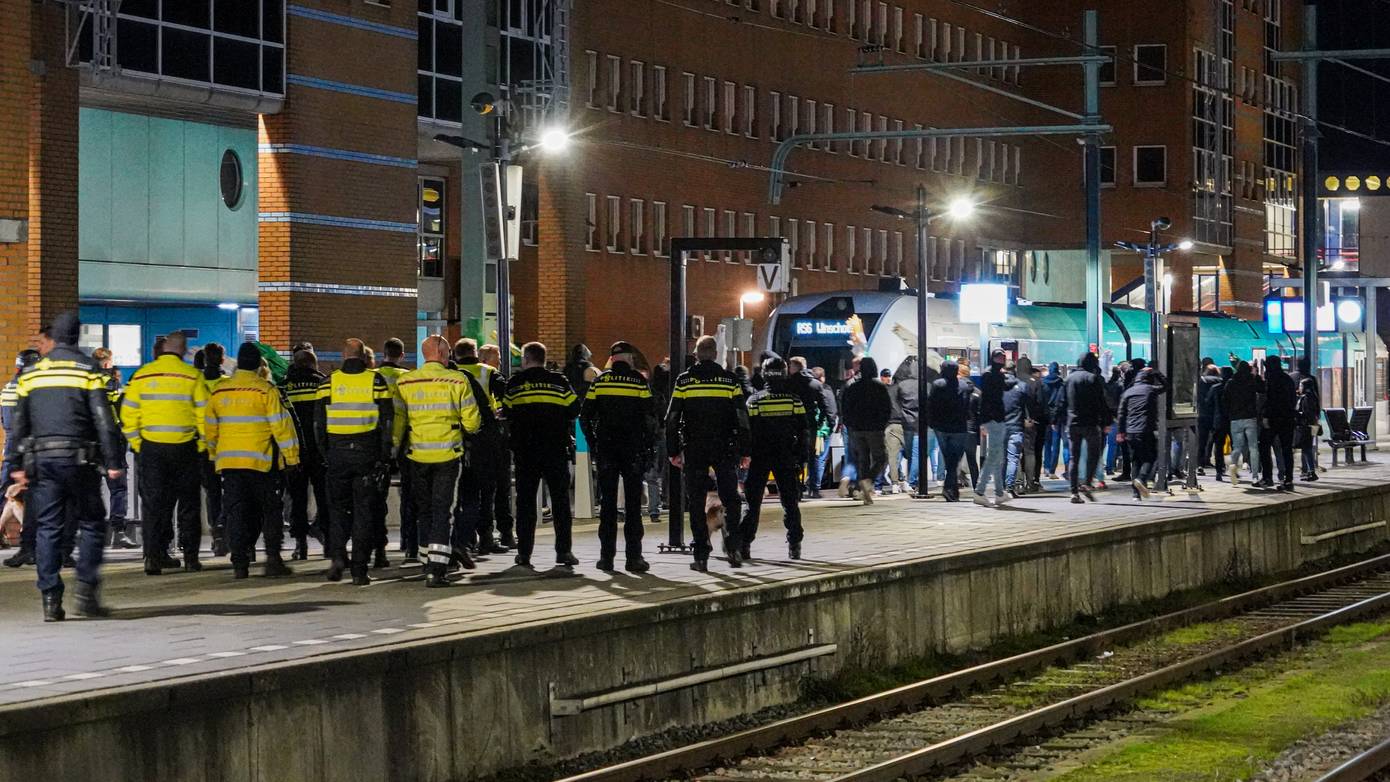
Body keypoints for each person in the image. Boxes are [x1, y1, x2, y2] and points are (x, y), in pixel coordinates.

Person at [9, 313, 126, 621]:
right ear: (78, 337)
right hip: (80, 461)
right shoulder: (88, 371)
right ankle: (86, 593)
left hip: (43, 463)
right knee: (91, 522)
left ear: (55, 338)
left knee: (48, 526)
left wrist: (15, 464)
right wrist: (114, 462)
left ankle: (50, 599)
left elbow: (20, 423)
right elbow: (104, 420)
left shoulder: (32, 374)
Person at [395, 335, 484, 586]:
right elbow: (472, 421)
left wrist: (393, 450)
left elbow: (399, 423)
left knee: (424, 511)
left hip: (417, 455)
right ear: (445, 354)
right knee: (443, 512)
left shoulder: (405, 382)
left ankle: (426, 561)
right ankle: (437, 568)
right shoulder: (457, 380)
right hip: (447, 454)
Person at [204, 343, 299, 579]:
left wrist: (214, 456)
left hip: (230, 465)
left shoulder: (220, 391)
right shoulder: (265, 390)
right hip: (261, 464)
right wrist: (292, 459)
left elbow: (210, 430)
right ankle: (273, 560)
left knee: (236, 513)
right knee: (270, 511)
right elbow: (281, 427)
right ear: (258, 365)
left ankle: (239, 563)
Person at [122, 330, 208, 575]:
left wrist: (138, 443)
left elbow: (128, 414)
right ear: (182, 350)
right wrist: (202, 445)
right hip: (185, 449)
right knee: (189, 505)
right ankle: (191, 558)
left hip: (152, 449)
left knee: (153, 506)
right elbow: (204, 416)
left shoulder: (141, 376)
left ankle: (153, 558)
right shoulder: (192, 377)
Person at [666, 335, 750, 571]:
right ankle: (733, 546)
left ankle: (701, 554)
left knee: (696, 501)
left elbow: (672, 418)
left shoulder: (684, 381)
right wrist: (745, 450)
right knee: (731, 499)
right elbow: (742, 418)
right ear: (715, 355)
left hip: (695, 448)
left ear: (696, 355)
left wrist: (673, 450)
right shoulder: (729, 380)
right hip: (725, 447)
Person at [314, 339, 394, 585]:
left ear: (343, 354)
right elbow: (387, 422)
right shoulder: (376, 381)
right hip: (366, 454)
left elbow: (318, 425)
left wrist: (326, 454)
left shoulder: (328, 382)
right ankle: (359, 570)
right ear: (363, 356)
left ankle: (338, 557)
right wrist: (384, 456)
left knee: (337, 510)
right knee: (364, 513)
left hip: (337, 454)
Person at [501, 342, 581, 570]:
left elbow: (506, 411)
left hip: (526, 451)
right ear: (544, 359)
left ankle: (524, 554)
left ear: (526, 359)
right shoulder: (559, 382)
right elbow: (574, 408)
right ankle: (564, 552)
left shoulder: (515, 383)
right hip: (555, 449)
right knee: (560, 502)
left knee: (525, 502)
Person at [580, 341, 656, 572]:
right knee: (633, 507)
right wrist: (648, 447)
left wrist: (594, 443)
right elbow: (651, 419)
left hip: (607, 451)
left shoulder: (600, 382)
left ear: (613, 359)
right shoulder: (639, 382)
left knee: (608, 506)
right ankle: (634, 558)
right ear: (630, 359)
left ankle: (606, 558)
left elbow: (585, 418)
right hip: (632, 451)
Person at [741, 356, 808, 560]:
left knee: (753, 503)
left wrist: (745, 454)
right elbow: (803, 430)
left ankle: (744, 543)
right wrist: (801, 457)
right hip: (786, 456)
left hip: (760, 456)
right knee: (789, 502)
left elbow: (747, 431)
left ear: (764, 374)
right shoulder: (794, 400)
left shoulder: (754, 401)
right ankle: (794, 543)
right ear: (784, 373)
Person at [453, 338, 509, 556]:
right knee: (486, 490)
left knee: (463, 491)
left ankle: (464, 539)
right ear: (474, 352)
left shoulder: (451, 373)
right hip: (484, 437)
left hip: (455, 437)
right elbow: (505, 401)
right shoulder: (489, 372)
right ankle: (486, 537)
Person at [284, 348, 328, 560]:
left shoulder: (285, 385)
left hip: (295, 452)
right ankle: (328, 542)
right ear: (313, 364)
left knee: (298, 499)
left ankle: (300, 546)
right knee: (324, 497)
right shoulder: (323, 383)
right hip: (320, 452)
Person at [90, 347, 136, 549]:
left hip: (91, 443)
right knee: (118, 489)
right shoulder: (111, 382)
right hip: (111, 442)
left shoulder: (86, 383)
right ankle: (118, 532)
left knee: (91, 490)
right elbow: (119, 413)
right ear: (108, 363)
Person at [1, 349, 41, 567]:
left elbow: (4, 420)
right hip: (26, 449)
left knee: (9, 494)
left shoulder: (7, 388)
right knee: (24, 496)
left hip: (10, 448)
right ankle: (30, 543)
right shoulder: (30, 389)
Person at [374, 338, 412, 562]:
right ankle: (408, 542)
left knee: (377, 498)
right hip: (405, 443)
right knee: (409, 495)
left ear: (384, 353)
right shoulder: (407, 378)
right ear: (402, 355)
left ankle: (379, 547)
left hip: (378, 444)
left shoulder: (373, 376)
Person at [839, 356, 891, 505]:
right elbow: (886, 408)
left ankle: (864, 493)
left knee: (863, 459)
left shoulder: (853, 387)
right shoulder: (879, 387)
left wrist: (850, 425)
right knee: (881, 458)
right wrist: (882, 423)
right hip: (874, 428)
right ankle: (868, 482)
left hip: (856, 429)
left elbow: (846, 408)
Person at [1062, 352, 1112, 503]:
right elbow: (1101, 402)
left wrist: (1059, 419)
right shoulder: (1092, 378)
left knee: (1074, 458)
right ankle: (1087, 483)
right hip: (1090, 423)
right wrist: (1106, 421)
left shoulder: (1069, 379)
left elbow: (1062, 401)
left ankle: (1074, 492)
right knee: (1094, 455)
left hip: (1073, 423)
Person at [195, 343, 230, 556]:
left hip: (201, 448)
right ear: (223, 360)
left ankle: (217, 536)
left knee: (212, 493)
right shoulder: (228, 384)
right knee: (231, 491)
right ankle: (223, 528)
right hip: (227, 446)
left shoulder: (194, 383)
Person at [479, 343, 516, 548]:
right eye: (498, 358)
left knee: (481, 490)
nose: (500, 362)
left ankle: (483, 535)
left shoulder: (463, 374)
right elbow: (506, 402)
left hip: (474, 438)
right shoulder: (492, 375)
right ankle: (505, 533)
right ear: (485, 360)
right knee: (501, 487)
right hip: (494, 436)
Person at [1116, 367, 1168, 499]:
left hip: (1130, 431)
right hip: (1145, 429)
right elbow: (1166, 385)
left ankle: (1135, 494)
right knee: (1151, 457)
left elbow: (1121, 413)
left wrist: (1121, 431)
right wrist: (1156, 372)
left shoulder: (1128, 392)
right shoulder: (1150, 389)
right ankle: (1141, 478)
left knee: (1136, 460)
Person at [926, 359, 973, 502]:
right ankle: (950, 489)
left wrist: (931, 422)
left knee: (948, 457)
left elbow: (931, 404)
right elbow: (967, 405)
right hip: (959, 426)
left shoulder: (937, 385)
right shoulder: (964, 386)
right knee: (955, 459)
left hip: (941, 426)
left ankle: (950, 489)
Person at [974, 349, 1010, 507]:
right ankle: (980, 491)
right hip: (994, 419)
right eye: (998, 356)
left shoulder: (991, 374)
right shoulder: (992, 375)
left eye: (1002, 356)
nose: (1001, 359)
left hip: (995, 419)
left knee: (996, 456)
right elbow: (988, 399)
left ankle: (999, 493)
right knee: (993, 456)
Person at [1222, 360, 1263, 486]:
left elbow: (1225, 400)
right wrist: (1256, 376)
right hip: (1250, 418)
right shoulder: (1252, 380)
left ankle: (1233, 465)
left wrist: (1229, 413)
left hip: (1235, 419)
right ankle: (1255, 477)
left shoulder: (1231, 382)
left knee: (1237, 447)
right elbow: (1262, 389)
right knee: (1253, 448)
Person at [885, 357, 920, 495]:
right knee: (914, 455)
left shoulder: (889, 389)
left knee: (893, 457)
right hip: (908, 425)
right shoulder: (911, 388)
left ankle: (895, 483)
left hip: (891, 425)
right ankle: (910, 482)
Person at [1262, 355, 1297, 491]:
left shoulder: (1272, 379)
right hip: (1288, 419)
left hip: (1274, 419)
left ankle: (1267, 477)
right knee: (1286, 450)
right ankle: (1288, 479)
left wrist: (1266, 416)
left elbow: (1271, 400)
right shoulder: (1288, 379)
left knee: (1264, 446)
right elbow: (1292, 400)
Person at [1196, 364, 1223, 477]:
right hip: (1217, 415)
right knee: (1218, 442)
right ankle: (1220, 466)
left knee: (1202, 441)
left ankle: (1200, 465)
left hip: (1203, 414)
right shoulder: (1221, 381)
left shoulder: (1201, 381)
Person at [1041, 362, 1066, 479]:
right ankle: (1052, 470)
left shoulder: (1043, 382)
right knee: (1056, 444)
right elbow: (1061, 401)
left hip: (1045, 416)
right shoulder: (1061, 383)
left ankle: (1046, 467)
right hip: (1058, 417)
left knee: (1047, 443)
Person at [1295, 376, 1321, 481]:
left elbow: (1305, 413)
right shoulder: (1313, 397)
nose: (1299, 387)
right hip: (1311, 426)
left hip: (1305, 427)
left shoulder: (1306, 398)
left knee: (1307, 449)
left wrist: (1297, 414)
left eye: (1301, 385)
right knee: (1307, 449)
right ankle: (1310, 471)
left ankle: (1311, 472)